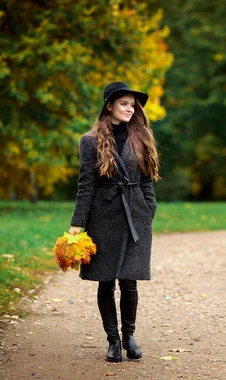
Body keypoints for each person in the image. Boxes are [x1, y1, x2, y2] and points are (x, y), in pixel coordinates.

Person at [69, 81, 159, 362]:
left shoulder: (141, 137)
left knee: (129, 281)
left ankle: (129, 336)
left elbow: (147, 180)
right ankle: (113, 340)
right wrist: (77, 223)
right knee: (105, 282)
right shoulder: (90, 141)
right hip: (103, 216)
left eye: (133, 105)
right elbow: (86, 184)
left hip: (136, 216)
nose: (130, 109)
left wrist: (149, 209)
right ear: (109, 105)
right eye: (124, 104)